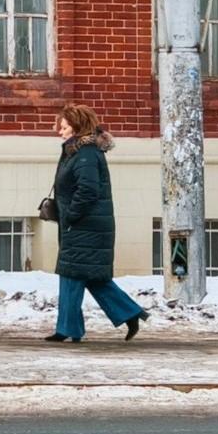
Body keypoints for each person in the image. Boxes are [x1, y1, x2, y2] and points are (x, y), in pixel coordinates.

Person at [46, 105, 149, 343]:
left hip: (84, 226)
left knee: (71, 274)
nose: (60, 132)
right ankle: (130, 313)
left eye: (64, 127)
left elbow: (88, 190)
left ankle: (68, 329)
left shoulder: (86, 153)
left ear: (77, 126)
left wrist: (70, 215)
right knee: (92, 276)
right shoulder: (78, 151)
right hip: (85, 224)